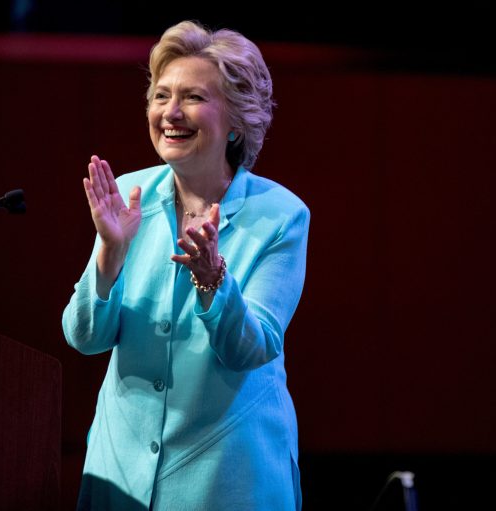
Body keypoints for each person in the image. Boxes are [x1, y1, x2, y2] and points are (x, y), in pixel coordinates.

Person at [62, 20, 310, 511]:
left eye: (193, 97)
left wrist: (213, 277)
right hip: (120, 474)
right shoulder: (130, 197)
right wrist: (110, 252)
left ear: (236, 122)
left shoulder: (280, 217)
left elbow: (250, 348)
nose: (170, 112)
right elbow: (84, 337)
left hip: (224, 477)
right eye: (160, 96)